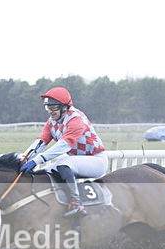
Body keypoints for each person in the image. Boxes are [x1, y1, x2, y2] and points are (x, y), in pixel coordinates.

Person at [19, 87, 108, 217]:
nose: (50, 111)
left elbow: (63, 145)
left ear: (64, 107)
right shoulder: (52, 122)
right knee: (45, 173)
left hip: (96, 160)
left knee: (63, 164)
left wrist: (36, 160)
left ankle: (76, 204)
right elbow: (41, 142)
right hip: (77, 160)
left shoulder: (76, 119)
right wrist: (24, 158)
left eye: (53, 107)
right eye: (47, 107)